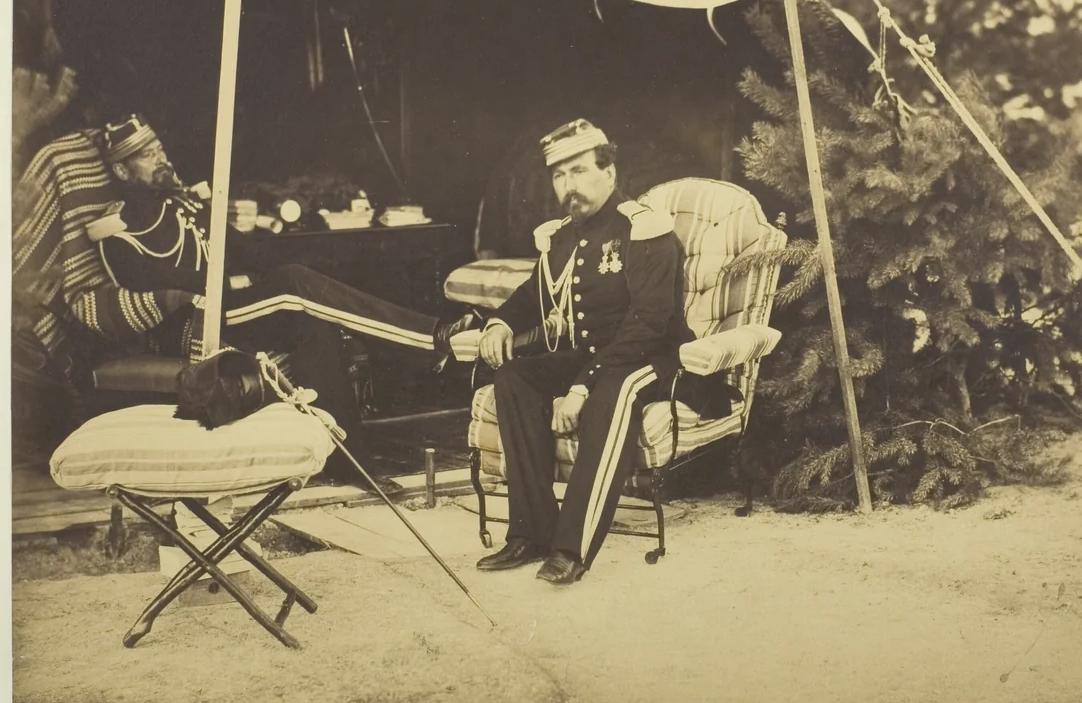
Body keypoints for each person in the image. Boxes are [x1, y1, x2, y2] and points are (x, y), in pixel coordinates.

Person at [80, 114, 473, 472]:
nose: (161, 158)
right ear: (121, 170)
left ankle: (350, 463)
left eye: (159, 149)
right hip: (192, 321)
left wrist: (291, 273)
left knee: (313, 325)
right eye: (147, 156)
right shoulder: (118, 228)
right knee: (294, 285)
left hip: (235, 309)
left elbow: (250, 252)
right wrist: (237, 283)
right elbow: (148, 280)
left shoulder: (189, 203)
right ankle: (430, 338)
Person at [475, 119, 709, 586]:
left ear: (609, 170)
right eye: (560, 176)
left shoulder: (646, 230)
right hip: (593, 359)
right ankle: (530, 531)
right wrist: (500, 321)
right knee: (514, 377)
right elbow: (532, 291)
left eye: (579, 171)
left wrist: (581, 385)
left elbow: (648, 324)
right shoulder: (563, 237)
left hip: (652, 359)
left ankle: (571, 547)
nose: (569, 186)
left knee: (612, 393)